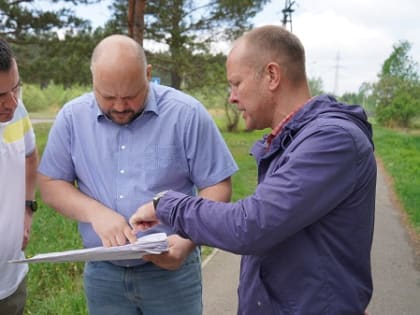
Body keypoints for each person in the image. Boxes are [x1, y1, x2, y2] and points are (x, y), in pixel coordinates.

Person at [130, 25, 377, 315]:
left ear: (272, 76)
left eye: (236, 83)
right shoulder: (293, 141)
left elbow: (250, 225)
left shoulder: (332, 141)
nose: (232, 97)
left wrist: (166, 204)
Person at [38, 34, 238, 315]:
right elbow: (50, 184)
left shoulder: (186, 114)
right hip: (103, 273)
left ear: (148, 74)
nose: (120, 107)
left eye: (131, 95)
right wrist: (96, 213)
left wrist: (186, 241)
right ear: (93, 78)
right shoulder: (72, 118)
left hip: (172, 272)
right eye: (107, 97)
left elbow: (217, 186)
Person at [0, 38, 38, 315]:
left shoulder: (18, 111)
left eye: (16, 87)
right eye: (0, 96)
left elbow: (30, 155)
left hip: (11, 283)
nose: (12, 103)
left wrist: (28, 208)